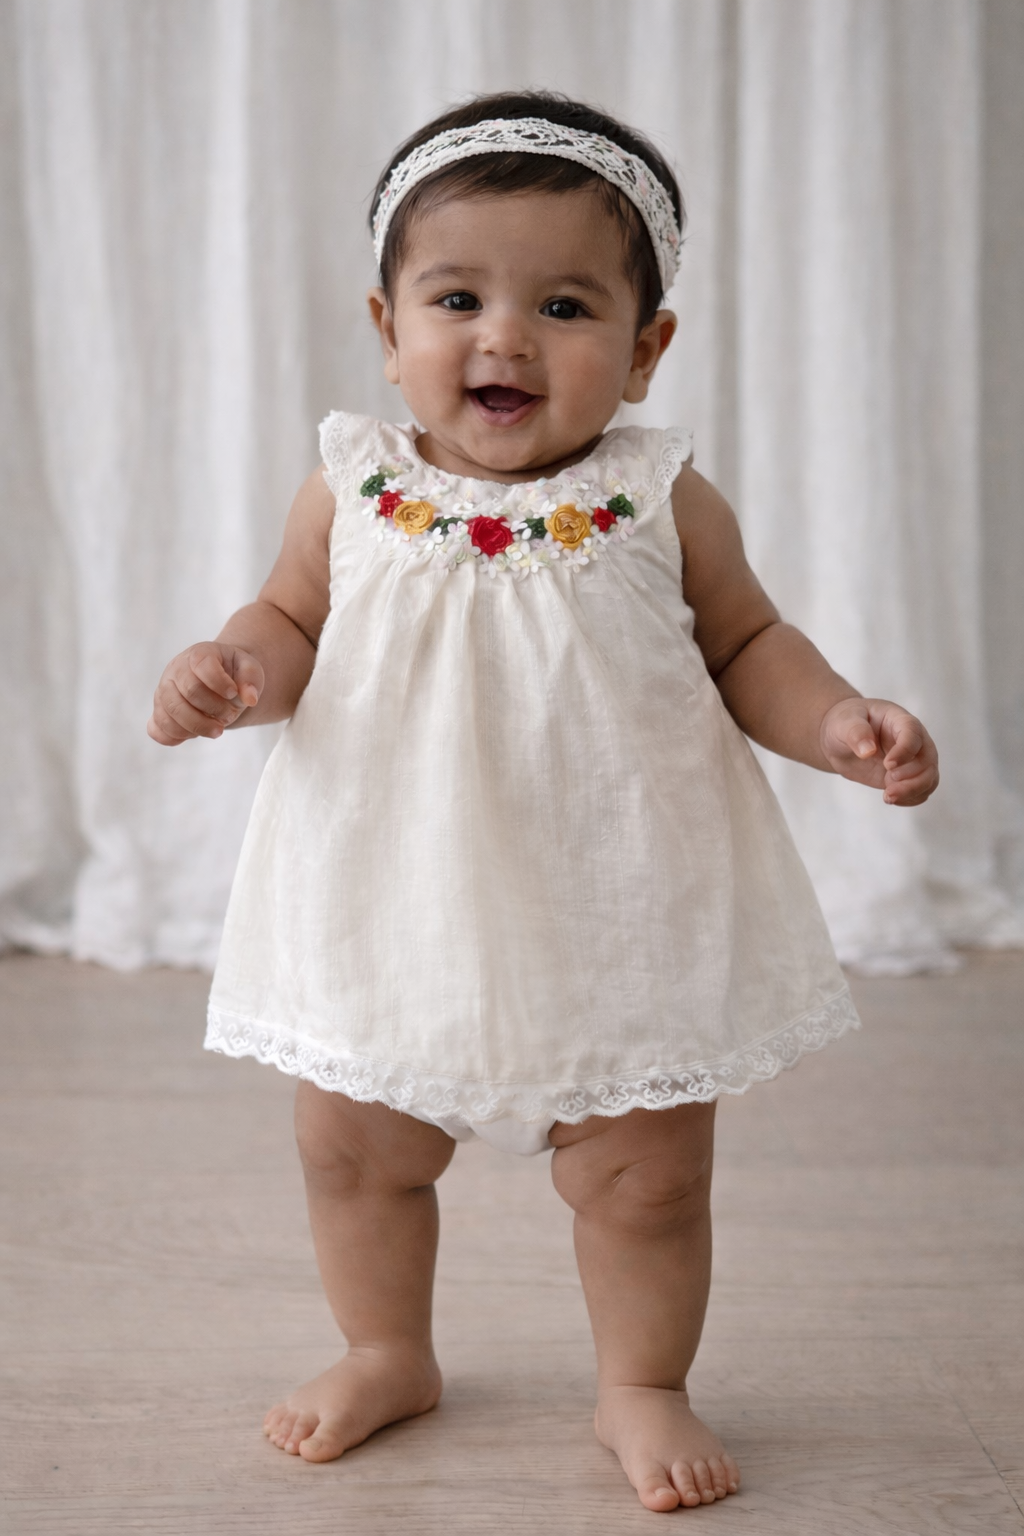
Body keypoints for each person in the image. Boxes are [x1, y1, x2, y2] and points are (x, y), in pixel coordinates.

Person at [148, 92, 939, 1513]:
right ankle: (387, 1349)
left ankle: (643, 1381)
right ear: (387, 327)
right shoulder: (353, 488)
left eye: (564, 306)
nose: (505, 338)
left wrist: (834, 722)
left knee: (649, 1179)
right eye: (457, 299)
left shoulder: (658, 498)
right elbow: (288, 620)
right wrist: (233, 672)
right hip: (389, 898)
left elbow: (750, 645)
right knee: (352, 1152)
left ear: (644, 351)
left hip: (614, 907)